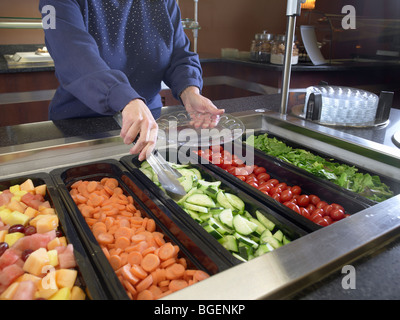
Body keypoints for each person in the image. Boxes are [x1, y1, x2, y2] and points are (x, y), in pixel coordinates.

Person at [39, 0, 224, 160]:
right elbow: (73, 55)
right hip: (80, 127)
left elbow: (180, 53)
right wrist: (125, 98)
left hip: (148, 124)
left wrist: (189, 90)